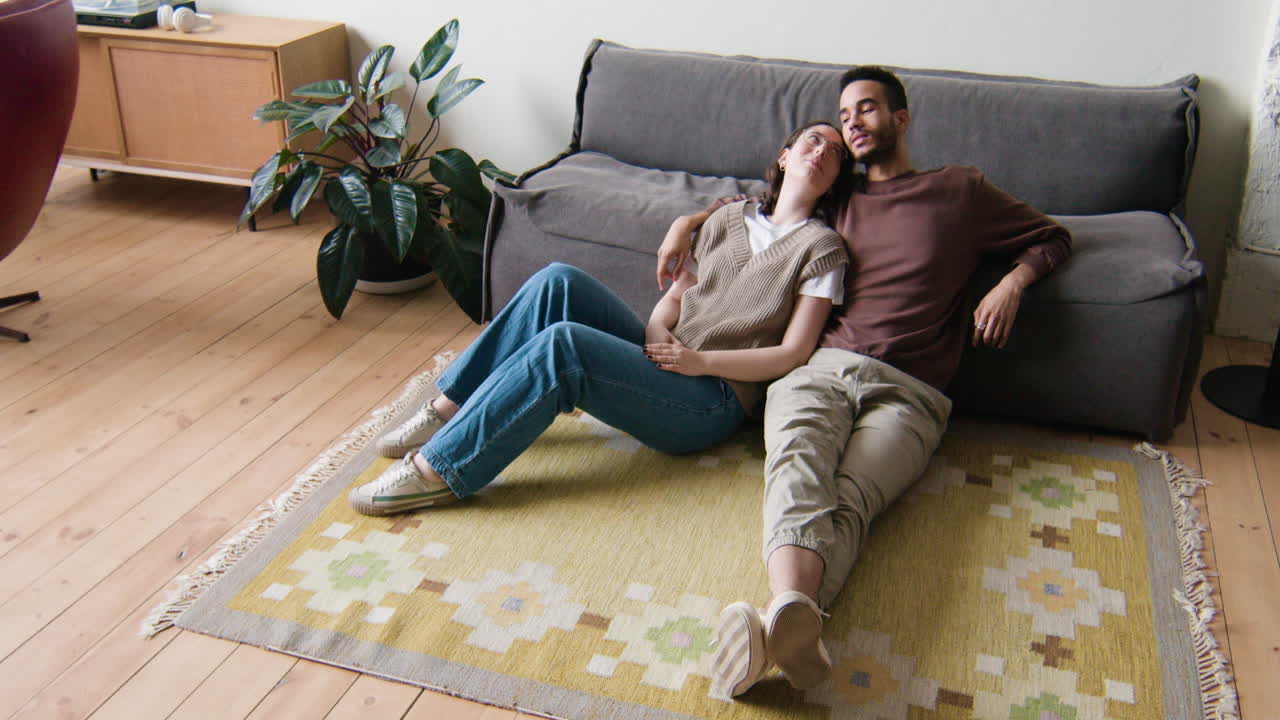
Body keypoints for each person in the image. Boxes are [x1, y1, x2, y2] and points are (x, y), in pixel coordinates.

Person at [656, 67, 1072, 697]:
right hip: (820, 368)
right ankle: (790, 622)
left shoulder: (958, 190)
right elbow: (753, 208)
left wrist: (1012, 283)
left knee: (853, 498)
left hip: (913, 392)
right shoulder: (836, 197)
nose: (852, 124)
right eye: (844, 115)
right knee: (797, 464)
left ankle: (776, 628)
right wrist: (684, 223)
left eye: (867, 109)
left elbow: (1053, 235)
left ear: (901, 120)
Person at [347, 122, 852, 520]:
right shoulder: (728, 217)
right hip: (667, 358)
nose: (822, 151)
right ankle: (447, 409)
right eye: (813, 140)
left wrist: (699, 362)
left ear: (835, 180)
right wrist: (656, 331)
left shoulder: (822, 248)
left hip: (710, 399)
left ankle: (439, 470)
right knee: (558, 280)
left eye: (835, 153)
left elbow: (794, 353)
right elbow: (679, 293)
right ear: (784, 156)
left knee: (564, 349)